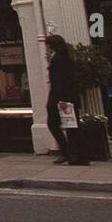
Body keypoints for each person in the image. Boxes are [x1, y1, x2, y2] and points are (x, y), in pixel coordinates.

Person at [45, 34, 86, 166]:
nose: (47, 47)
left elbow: (60, 81)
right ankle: (73, 154)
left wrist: (59, 100)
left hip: (62, 98)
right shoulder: (64, 57)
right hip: (66, 97)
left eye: (48, 45)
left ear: (52, 45)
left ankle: (70, 153)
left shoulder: (59, 59)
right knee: (71, 126)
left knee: (57, 124)